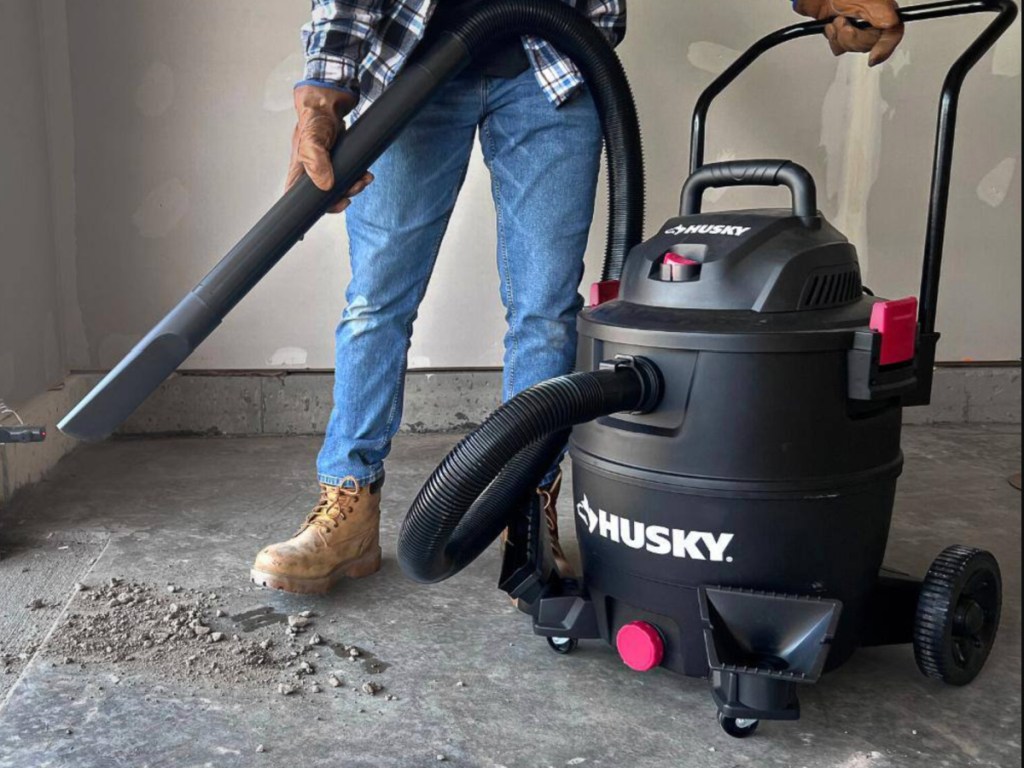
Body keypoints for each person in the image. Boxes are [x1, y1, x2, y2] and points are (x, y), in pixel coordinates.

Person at [251, 0, 905, 595]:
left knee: (545, 312)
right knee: (376, 304)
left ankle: (525, 512)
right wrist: (322, 93)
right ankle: (349, 506)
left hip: (549, 67)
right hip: (411, 67)